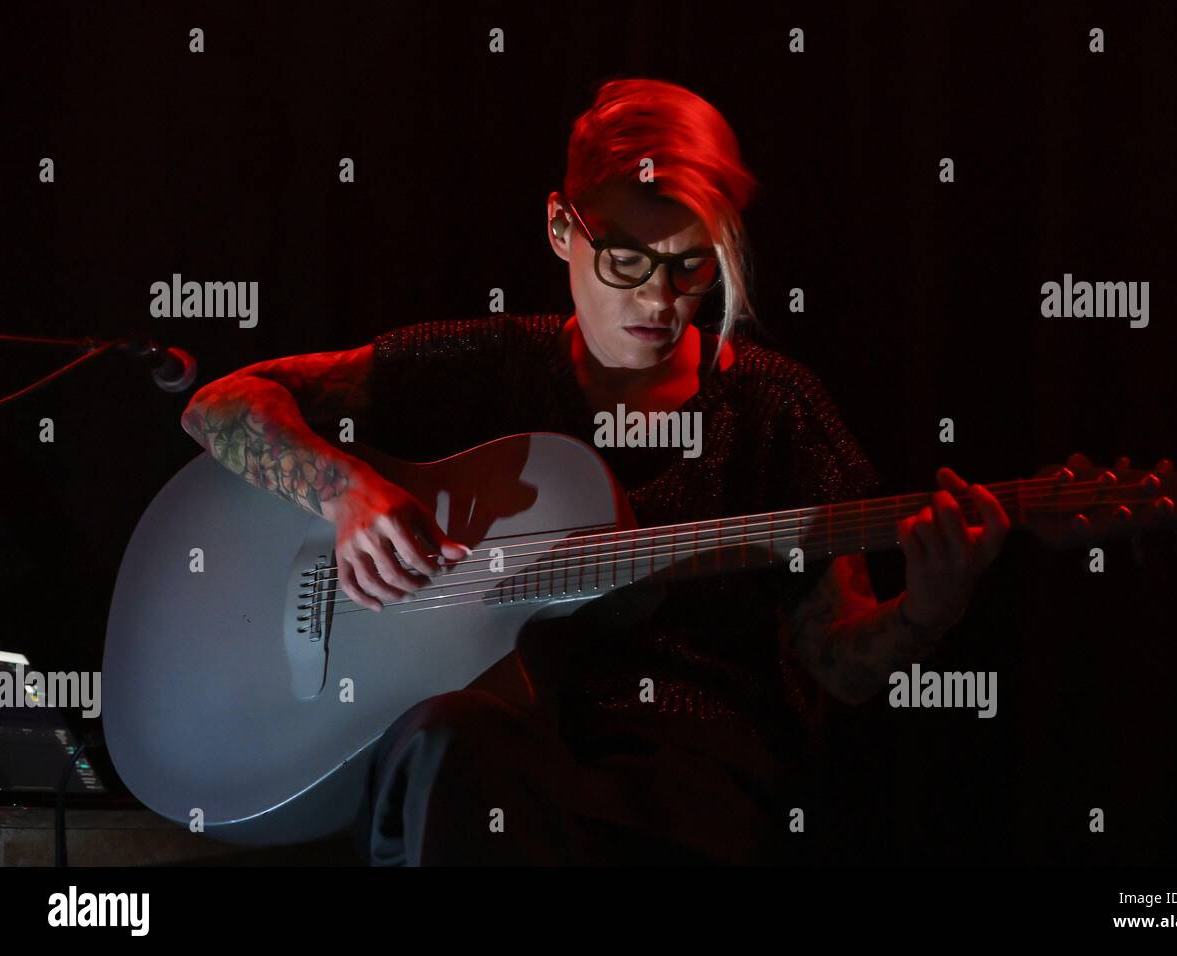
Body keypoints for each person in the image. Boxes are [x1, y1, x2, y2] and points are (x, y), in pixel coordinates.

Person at [180, 78, 1010, 865]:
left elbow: (837, 662)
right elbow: (218, 403)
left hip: (681, 777)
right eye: (627, 258)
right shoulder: (487, 362)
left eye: (693, 263)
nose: (661, 298)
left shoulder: (774, 405)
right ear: (561, 228)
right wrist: (344, 491)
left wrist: (924, 614)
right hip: (495, 746)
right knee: (447, 744)